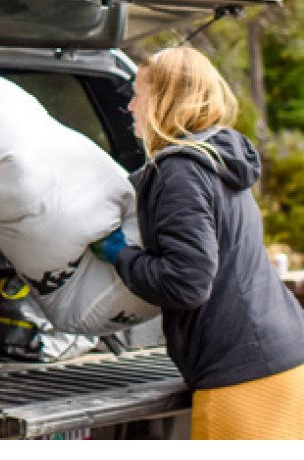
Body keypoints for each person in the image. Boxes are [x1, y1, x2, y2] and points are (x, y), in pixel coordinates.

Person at [90, 46, 304, 439]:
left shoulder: (181, 172)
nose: (130, 107)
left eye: (138, 95)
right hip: (282, 359)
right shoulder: (217, 157)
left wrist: (121, 255)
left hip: (242, 379)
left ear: (166, 101)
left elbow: (186, 282)